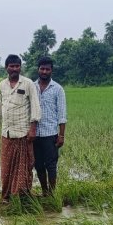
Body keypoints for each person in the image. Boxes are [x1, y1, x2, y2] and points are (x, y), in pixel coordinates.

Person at [0, 54, 41, 202]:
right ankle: (6, 196)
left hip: (23, 133)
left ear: (20, 67)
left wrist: (33, 129)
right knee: (6, 168)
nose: (14, 69)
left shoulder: (28, 84)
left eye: (17, 66)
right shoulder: (2, 85)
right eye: (11, 66)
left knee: (23, 168)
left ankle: (21, 196)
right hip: (7, 133)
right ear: (6, 68)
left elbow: (35, 107)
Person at [33, 56, 67, 196]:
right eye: (42, 69)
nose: (44, 71)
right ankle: (44, 191)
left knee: (51, 165)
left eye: (47, 69)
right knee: (39, 165)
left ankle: (52, 193)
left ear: (51, 70)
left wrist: (61, 135)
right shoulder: (31, 87)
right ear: (38, 70)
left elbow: (62, 114)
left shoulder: (58, 89)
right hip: (35, 134)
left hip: (50, 134)